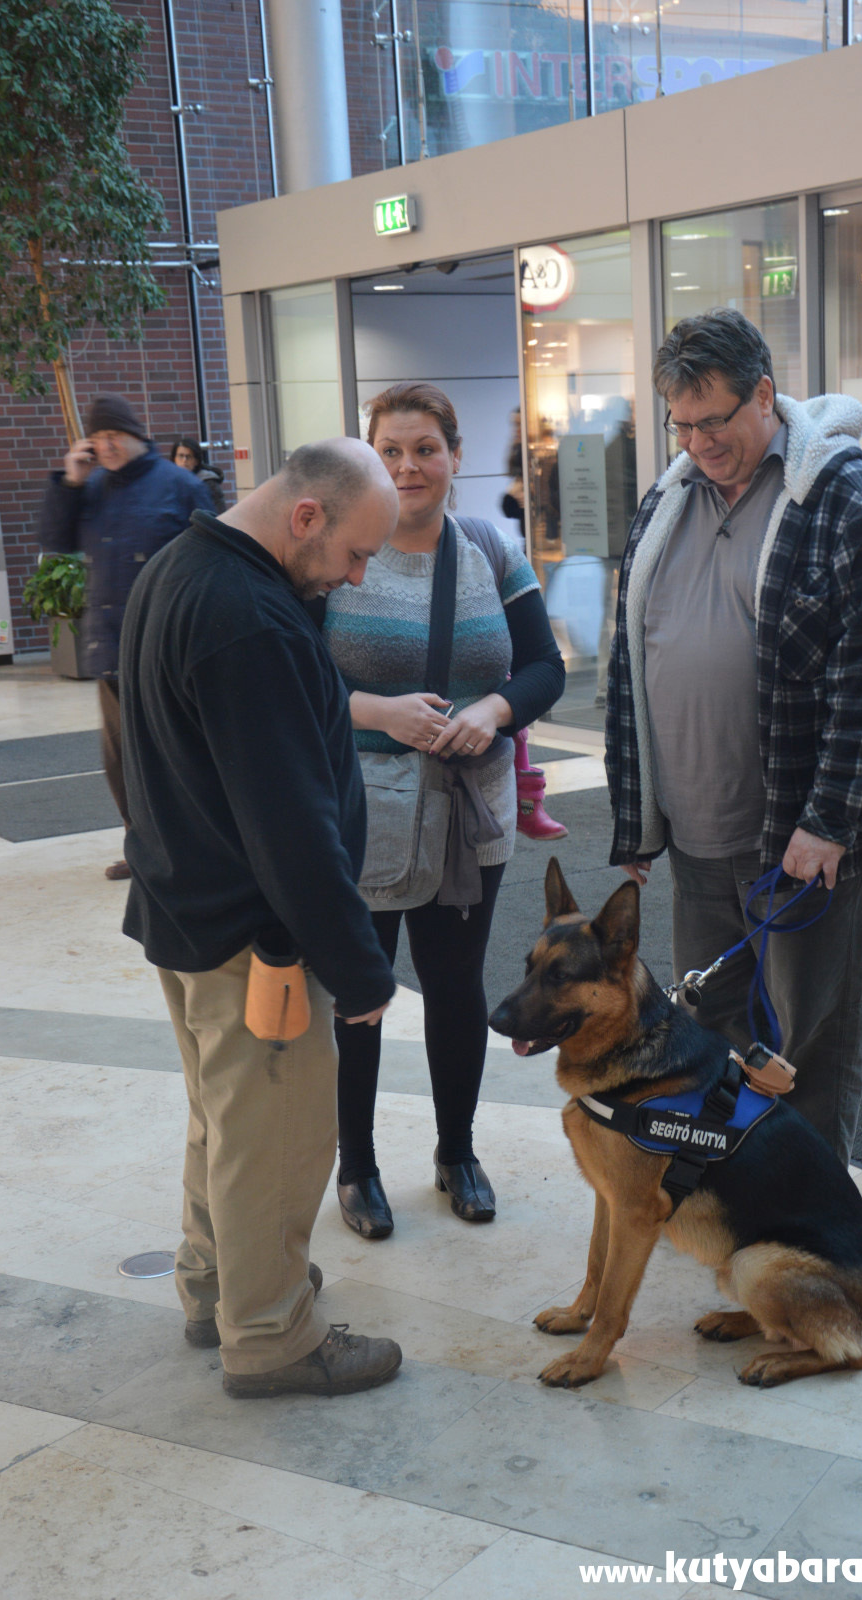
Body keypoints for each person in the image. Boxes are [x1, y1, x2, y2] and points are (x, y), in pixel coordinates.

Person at [119, 437, 405, 1400]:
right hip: (254, 938)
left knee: (223, 1125)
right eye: (356, 554)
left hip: (186, 909)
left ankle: (216, 1287)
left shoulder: (178, 568)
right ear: (306, 517)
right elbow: (292, 826)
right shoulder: (251, 619)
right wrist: (362, 973)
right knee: (279, 1139)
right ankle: (273, 1333)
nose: (358, 578)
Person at [605, 309, 862, 1165]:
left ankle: (809, 1228)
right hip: (698, 840)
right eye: (684, 423)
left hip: (803, 842)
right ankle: (733, 1199)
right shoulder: (666, 503)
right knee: (708, 1032)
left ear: (766, 397)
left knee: (806, 1049)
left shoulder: (844, 502)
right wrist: (638, 816)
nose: (700, 441)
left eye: (717, 419)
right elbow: (630, 661)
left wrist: (829, 823)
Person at [323, 381, 564, 1237]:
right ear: (368, 459)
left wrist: (493, 711)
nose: (408, 466)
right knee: (361, 989)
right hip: (365, 810)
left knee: (456, 984)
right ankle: (357, 1167)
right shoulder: (344, 550)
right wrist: (380, 712)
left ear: (456, 457)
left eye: (425, 448)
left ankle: (456, 1151)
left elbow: (543, 666)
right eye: (390, 450)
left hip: (469, 809)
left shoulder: (490, 551)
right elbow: (296, 675)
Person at [38, 395, 214, 879]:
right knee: (121, 764)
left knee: (172, 759)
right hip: (110, 648)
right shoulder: (91, 487)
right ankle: (143, 851)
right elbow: (56, 540)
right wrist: (71, 482)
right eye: (98, 438)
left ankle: (186, 852)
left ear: (138, 435)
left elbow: (211, 561)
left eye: (114, 435)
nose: (106, 445)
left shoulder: (179, 486)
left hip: (164, 650)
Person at [170, 434, 226, 514]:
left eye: (188, 457)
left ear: (196, 461)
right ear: (174, 459)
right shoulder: (168, 481)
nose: (184, 460)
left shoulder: (208, 482)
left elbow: (219, 513)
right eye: (180, 456)